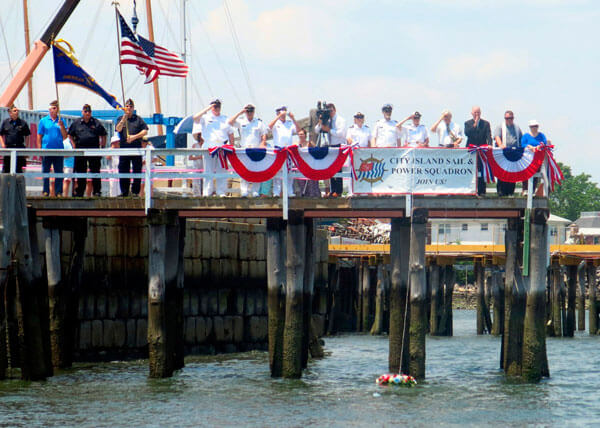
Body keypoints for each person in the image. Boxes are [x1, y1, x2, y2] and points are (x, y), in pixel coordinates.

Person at [192, 99, 234, 197]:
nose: (216, 108)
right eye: (215, 106)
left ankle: (221, 192)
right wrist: (208, 108)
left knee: (222, 170)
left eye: (218, 106)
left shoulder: (225, 118)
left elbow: (231, 133)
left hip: (222, 146)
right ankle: (207, 192)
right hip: (209, 146)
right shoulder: (205, 117)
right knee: (208, 170)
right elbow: (195, 118)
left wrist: (231, 146)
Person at [228, 103, 268, 197]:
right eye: (248, 111)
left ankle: (255, 191)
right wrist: (240, 112)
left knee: (256, 170)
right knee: (244, 170)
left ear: (254, 111)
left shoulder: (259, 123)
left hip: (256, 149)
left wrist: (263, 144)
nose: (249, 113)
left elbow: (264, 135)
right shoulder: (241, 121)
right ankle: (244, 191)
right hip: (244, 149)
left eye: (251, 111)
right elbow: (230, 122)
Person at [68, 104, 107, 197]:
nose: (87, 113)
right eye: (85, 111)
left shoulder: (96, 122)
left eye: (89, 112)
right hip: (80, 151)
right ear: (82, 112)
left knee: (95, 171)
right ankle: (80, 191)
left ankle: (97, 191)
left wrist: (102, 147)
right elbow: (70, 135)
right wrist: (74, 145)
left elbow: (104, 134)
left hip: (94, 151)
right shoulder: (76, 123)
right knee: (81, 171)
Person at [115, 99, 148, 197]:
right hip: (124, 149)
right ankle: (124, 191)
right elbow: (118, 129)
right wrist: (123, 120)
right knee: (123, 169)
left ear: (133, 108)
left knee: (137, 169)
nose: (129, 108)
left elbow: (145, 131)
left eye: (131, 106)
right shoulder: (120, 118)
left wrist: (134, 137)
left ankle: (135, 192)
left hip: (136, 148)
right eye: (127, 106)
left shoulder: (138, 119)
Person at [314, 103, 346, 196]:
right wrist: (320, 120)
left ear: (335, 110)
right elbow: (316, 130)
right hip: (330, 145)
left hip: (339, 145)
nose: (330, 113)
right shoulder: (327, 120)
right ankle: (333, 190)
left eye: (331, 111)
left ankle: (338, 191)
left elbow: (341, 133)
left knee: (338, 168)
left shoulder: (341, 120)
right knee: (331, 168)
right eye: (328, 111)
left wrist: (329, 130)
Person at [37, 100, 67, 196]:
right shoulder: (43, 121)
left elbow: (65, 136)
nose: (52, 110)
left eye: (54, 108)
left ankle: (59, 192)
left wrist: (62, 126)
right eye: (51, 108)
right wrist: (39, 150)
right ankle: (46, 191)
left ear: (58, 109)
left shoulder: (62, 121)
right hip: (46, 150)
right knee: (46, 171)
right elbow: (39, 136)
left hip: (58, 150)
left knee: (59, 171)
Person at [269, 106, 301, 196]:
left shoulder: (289, 123)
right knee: (277, 171)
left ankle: (289, 191)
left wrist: (293, 118)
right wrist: (278, 117)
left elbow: (298, 130)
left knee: (289, 171)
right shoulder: (276, 123)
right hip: (278, 150)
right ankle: (276, 192)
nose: (283, 115)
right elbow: (269, 127)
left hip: (288, 150)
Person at [493, 110, 523, 196]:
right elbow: (497, 137)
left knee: (512, 172)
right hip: (503, 152)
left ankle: (510, 192)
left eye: (510, 118)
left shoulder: (517, 128)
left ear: (513, 118)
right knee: (502, 172)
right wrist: (501, 145)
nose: (509, 120)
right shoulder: (500, 126)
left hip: (513, 152)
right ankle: (501, 192)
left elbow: (521, 139)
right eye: (507, 118)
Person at [464, 106, 492, 196]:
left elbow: (488, 135)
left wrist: (490, 144)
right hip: (471, 150)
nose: (477, 114)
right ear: (472, 113)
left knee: (481, 170)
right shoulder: (467, 123)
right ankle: (470, 191)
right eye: (475, 113)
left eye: (478, 113)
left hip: (482, 150)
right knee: (471, 170)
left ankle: (482, 191)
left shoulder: (486, 123)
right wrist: (475, 124)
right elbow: (467, 133)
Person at [521, 119, 550, 196]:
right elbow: (522, 144)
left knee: (536, 173)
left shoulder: (541, 135)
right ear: (530, 127)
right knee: (525, 173)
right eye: (533, 126)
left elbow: (544, 143)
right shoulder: (526, 136)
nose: (534, 128)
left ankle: (533, 190)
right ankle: (525, 189)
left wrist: (538, 146)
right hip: (527, 158)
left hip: (537, 158)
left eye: (536, 126)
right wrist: (529, 146)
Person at [0, 105, 30, 173]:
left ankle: (18, 184)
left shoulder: (23, 123)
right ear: (10, 113)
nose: (17, 112)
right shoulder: (5, 122)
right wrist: (3, 144)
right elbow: (1, 134)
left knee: (19, 170)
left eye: (17, 110)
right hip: (9, 149)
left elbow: (27, 135)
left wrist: (26, 148)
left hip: (19, 148)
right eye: (15, 111)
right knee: (6, 170)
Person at [293, 128, 320, 197]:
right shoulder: (296, 144)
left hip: (309, 165)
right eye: (299, 134)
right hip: (300, 166)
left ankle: (313, 197)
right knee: (301, 184)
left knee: (311, 183)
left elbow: (316, 151)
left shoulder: (310, 143)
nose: (300, 135)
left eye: (302, 134)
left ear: (305, 135)